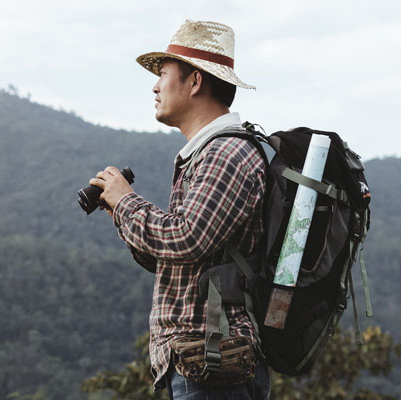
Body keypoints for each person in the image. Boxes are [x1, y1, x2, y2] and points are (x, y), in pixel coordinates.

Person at [87, 20, 270, 399]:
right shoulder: (204, 154)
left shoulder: (226, 153)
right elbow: (171, 260)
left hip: (212, 361)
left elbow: (185, 238)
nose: (155, 86)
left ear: (195, 81)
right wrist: (119, 213)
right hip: (196, 362)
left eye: (163, 74)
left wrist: (127, 202)